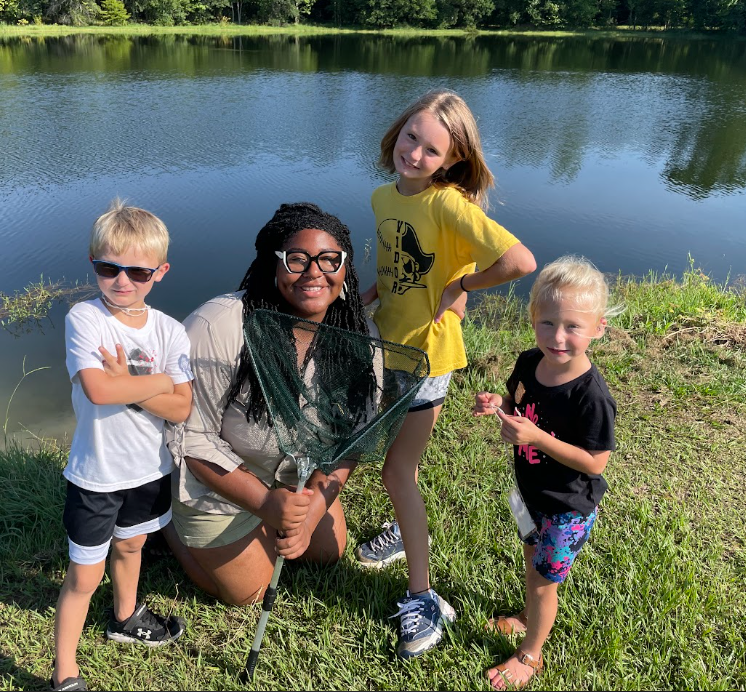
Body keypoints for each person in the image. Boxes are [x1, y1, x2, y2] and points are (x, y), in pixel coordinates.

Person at [356, 88, 537, 659]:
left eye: (432, 150)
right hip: (387, 346)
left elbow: (519, 261)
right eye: (411, 137)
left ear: (451, 161)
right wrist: (359, 299)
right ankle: (402, 532)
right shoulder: (384, 197)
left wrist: (462, 286)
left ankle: (423, 595)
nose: (415, 153)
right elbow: (398, 270)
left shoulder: (448, 204)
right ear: (398, 131)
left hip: (429, 357)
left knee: (397, 471)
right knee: (394, 464)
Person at [162, 202, 371, 606]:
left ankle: (268, 521)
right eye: (297, 259)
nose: (314, 272)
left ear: (345, 270)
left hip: (290, 474)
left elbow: (354, 437)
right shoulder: (218, 326)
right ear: (273, 266)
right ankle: (164, 521)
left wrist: (312, 509)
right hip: (215, 480)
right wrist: (262, 503)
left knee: (328, 554)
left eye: (329, 260)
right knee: (251, 592)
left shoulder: (357, 336)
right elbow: (190, 436)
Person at [52, 200, 193, 692]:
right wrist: (158, 384)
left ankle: (126, 616)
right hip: (97, 475)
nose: (122, 281)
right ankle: (65, 674)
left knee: (132, 546)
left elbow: (183, 408)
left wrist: (134, 379)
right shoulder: (85, 318)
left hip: (147, 470)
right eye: (109, 268)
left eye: (138, 271)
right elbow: (99, 390)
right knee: (83, 578)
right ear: (94, 264)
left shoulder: (170, 331)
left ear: (161, 271)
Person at [475, 255, 619, 689]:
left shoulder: (591, 396)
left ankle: (531, 655)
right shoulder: (527, 362)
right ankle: (526, 618)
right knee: (531, 565)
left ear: (598, 328)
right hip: (531, 494)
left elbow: (595, 463)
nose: (558, 337)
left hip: (567, 507)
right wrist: (498, 406)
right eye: (547, 323)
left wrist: (536, 439)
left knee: (542, 583)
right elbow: (515, 401)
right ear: (533, 318)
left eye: (573, 326)